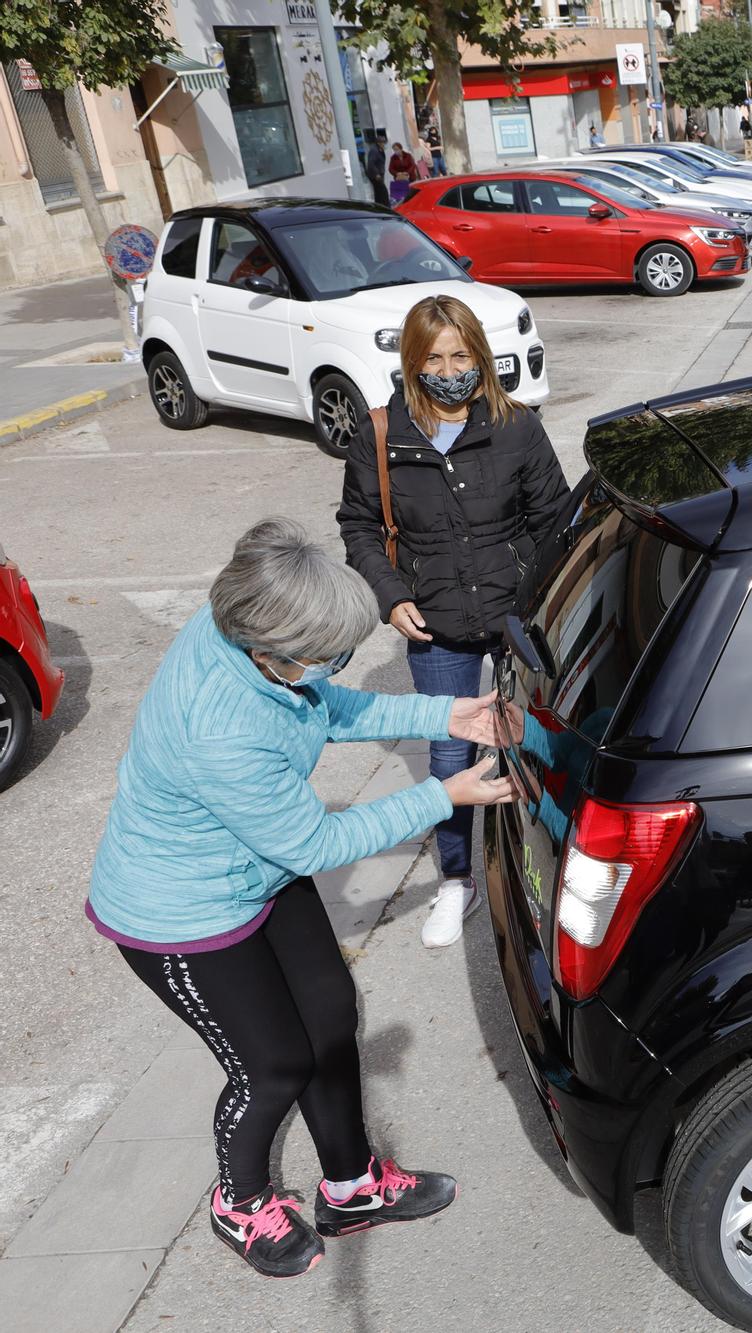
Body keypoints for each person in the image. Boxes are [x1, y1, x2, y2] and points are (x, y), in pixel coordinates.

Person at [87, 517, 512, 1278]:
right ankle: (240, 1200)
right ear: (267, 648)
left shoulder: (249, 627)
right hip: (178, 911)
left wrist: (443, 713)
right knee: (274, 1064)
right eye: (327, 656)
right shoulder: (221, 729)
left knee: (329, 1015)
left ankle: (352, 1188)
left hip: (255, 866)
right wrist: (443, 792)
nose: (338, 667)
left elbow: (324, 705)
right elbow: (316, 844)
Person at [337, 295, 569, 947]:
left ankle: (547, 865)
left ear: (479, 354)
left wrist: (544, 598)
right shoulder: (382, 432)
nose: (449, 369)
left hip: (516, 614)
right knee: (448, 753)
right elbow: (357, 524)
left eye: (460, 354)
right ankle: (457, 880)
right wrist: (389, 593)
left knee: (532, 739)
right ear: (413, 362)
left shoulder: (516, 425)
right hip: (435, 621)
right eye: (434, 357)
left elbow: (554, 518)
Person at [363, 130, 389, 207]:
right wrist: (376, 174)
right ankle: (385, 206)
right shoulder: (374, 150)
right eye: (383, 143)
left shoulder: (380, 150)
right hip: (375, 175)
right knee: (383, 191)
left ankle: (379, 206)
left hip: (378, 174)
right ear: (379, 143)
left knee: (378, 192)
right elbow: (371, 164)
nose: (384, 144)